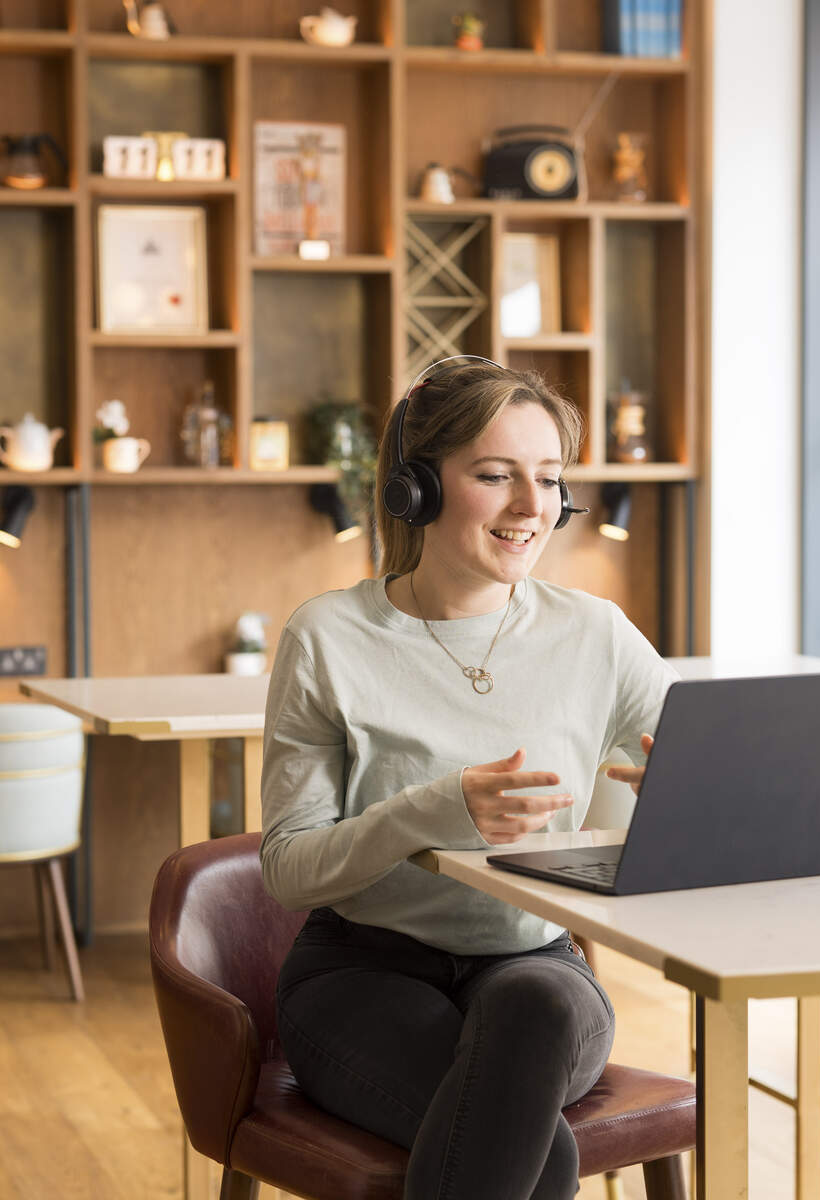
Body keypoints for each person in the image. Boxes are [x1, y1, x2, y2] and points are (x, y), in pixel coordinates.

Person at [260, 358, 676, 1199]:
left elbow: (704, 755)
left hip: (541, 964)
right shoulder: (328, 637)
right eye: (496, 476)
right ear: (416, 488)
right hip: (360, 973)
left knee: (536, 1009)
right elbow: (287, 868)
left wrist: (694, 786)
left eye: (551, 480)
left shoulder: (595, 632)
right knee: (538, 1150)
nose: (534, 507)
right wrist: (432, 809)